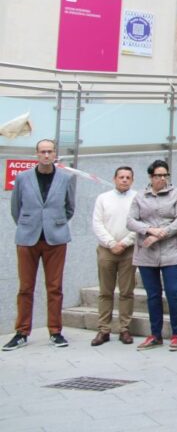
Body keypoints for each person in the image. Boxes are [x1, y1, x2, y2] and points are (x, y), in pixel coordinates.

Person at [4, 139, 76, 351]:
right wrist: (29, 224)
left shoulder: (66, 178)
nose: (46, 155)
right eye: (42, 151)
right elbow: (15, 208)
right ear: (36, 154)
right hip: (28, 238)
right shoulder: (23, 177)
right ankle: (21, 332)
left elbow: (70, 207)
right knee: (25, 288)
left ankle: (55, 332)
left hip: (56, 238)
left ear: (55, 154)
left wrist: (54, 223)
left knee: (55, 288)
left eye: (49, 151)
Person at [127, 159, 177, 351]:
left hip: (171, 251)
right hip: (147, 252)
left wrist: (161, 233)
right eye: (158, 175)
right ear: (150, 177)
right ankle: (155, 334)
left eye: (165, 175)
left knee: (174, 292)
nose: (162, 179)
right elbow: (130, 221)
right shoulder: (140, 196)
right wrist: (149, 230)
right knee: (153, 295)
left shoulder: (176, 193)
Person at [89, 166, 138, 346]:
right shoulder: (103, 198)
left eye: (128, 177)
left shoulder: (138, 198)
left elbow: (140, 224)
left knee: (126, 292)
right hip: (106, 250)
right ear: (114, 179)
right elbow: (97, 223)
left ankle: (124, 329)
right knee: (105, 291)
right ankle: (104, 330)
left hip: (129, 250)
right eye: (121, 177)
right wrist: (111, 243)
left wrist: (125, 243)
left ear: (132, 180)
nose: (124, 180)